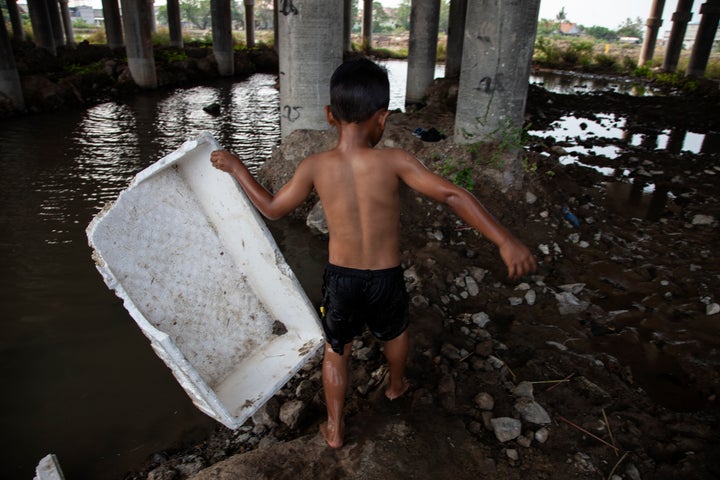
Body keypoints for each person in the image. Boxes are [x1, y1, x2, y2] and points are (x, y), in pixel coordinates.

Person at [210, 57, 536, 449]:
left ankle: (334, 428)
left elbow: (274, 209)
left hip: (342, 278)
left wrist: (237, 167)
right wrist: (504, 240)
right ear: (381, 118)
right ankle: (396, 386)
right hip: (385, 277)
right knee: (395, 331)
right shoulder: (394, 160)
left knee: (337, 350)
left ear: (330, 115)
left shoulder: (315, 166)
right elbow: (451, 194)